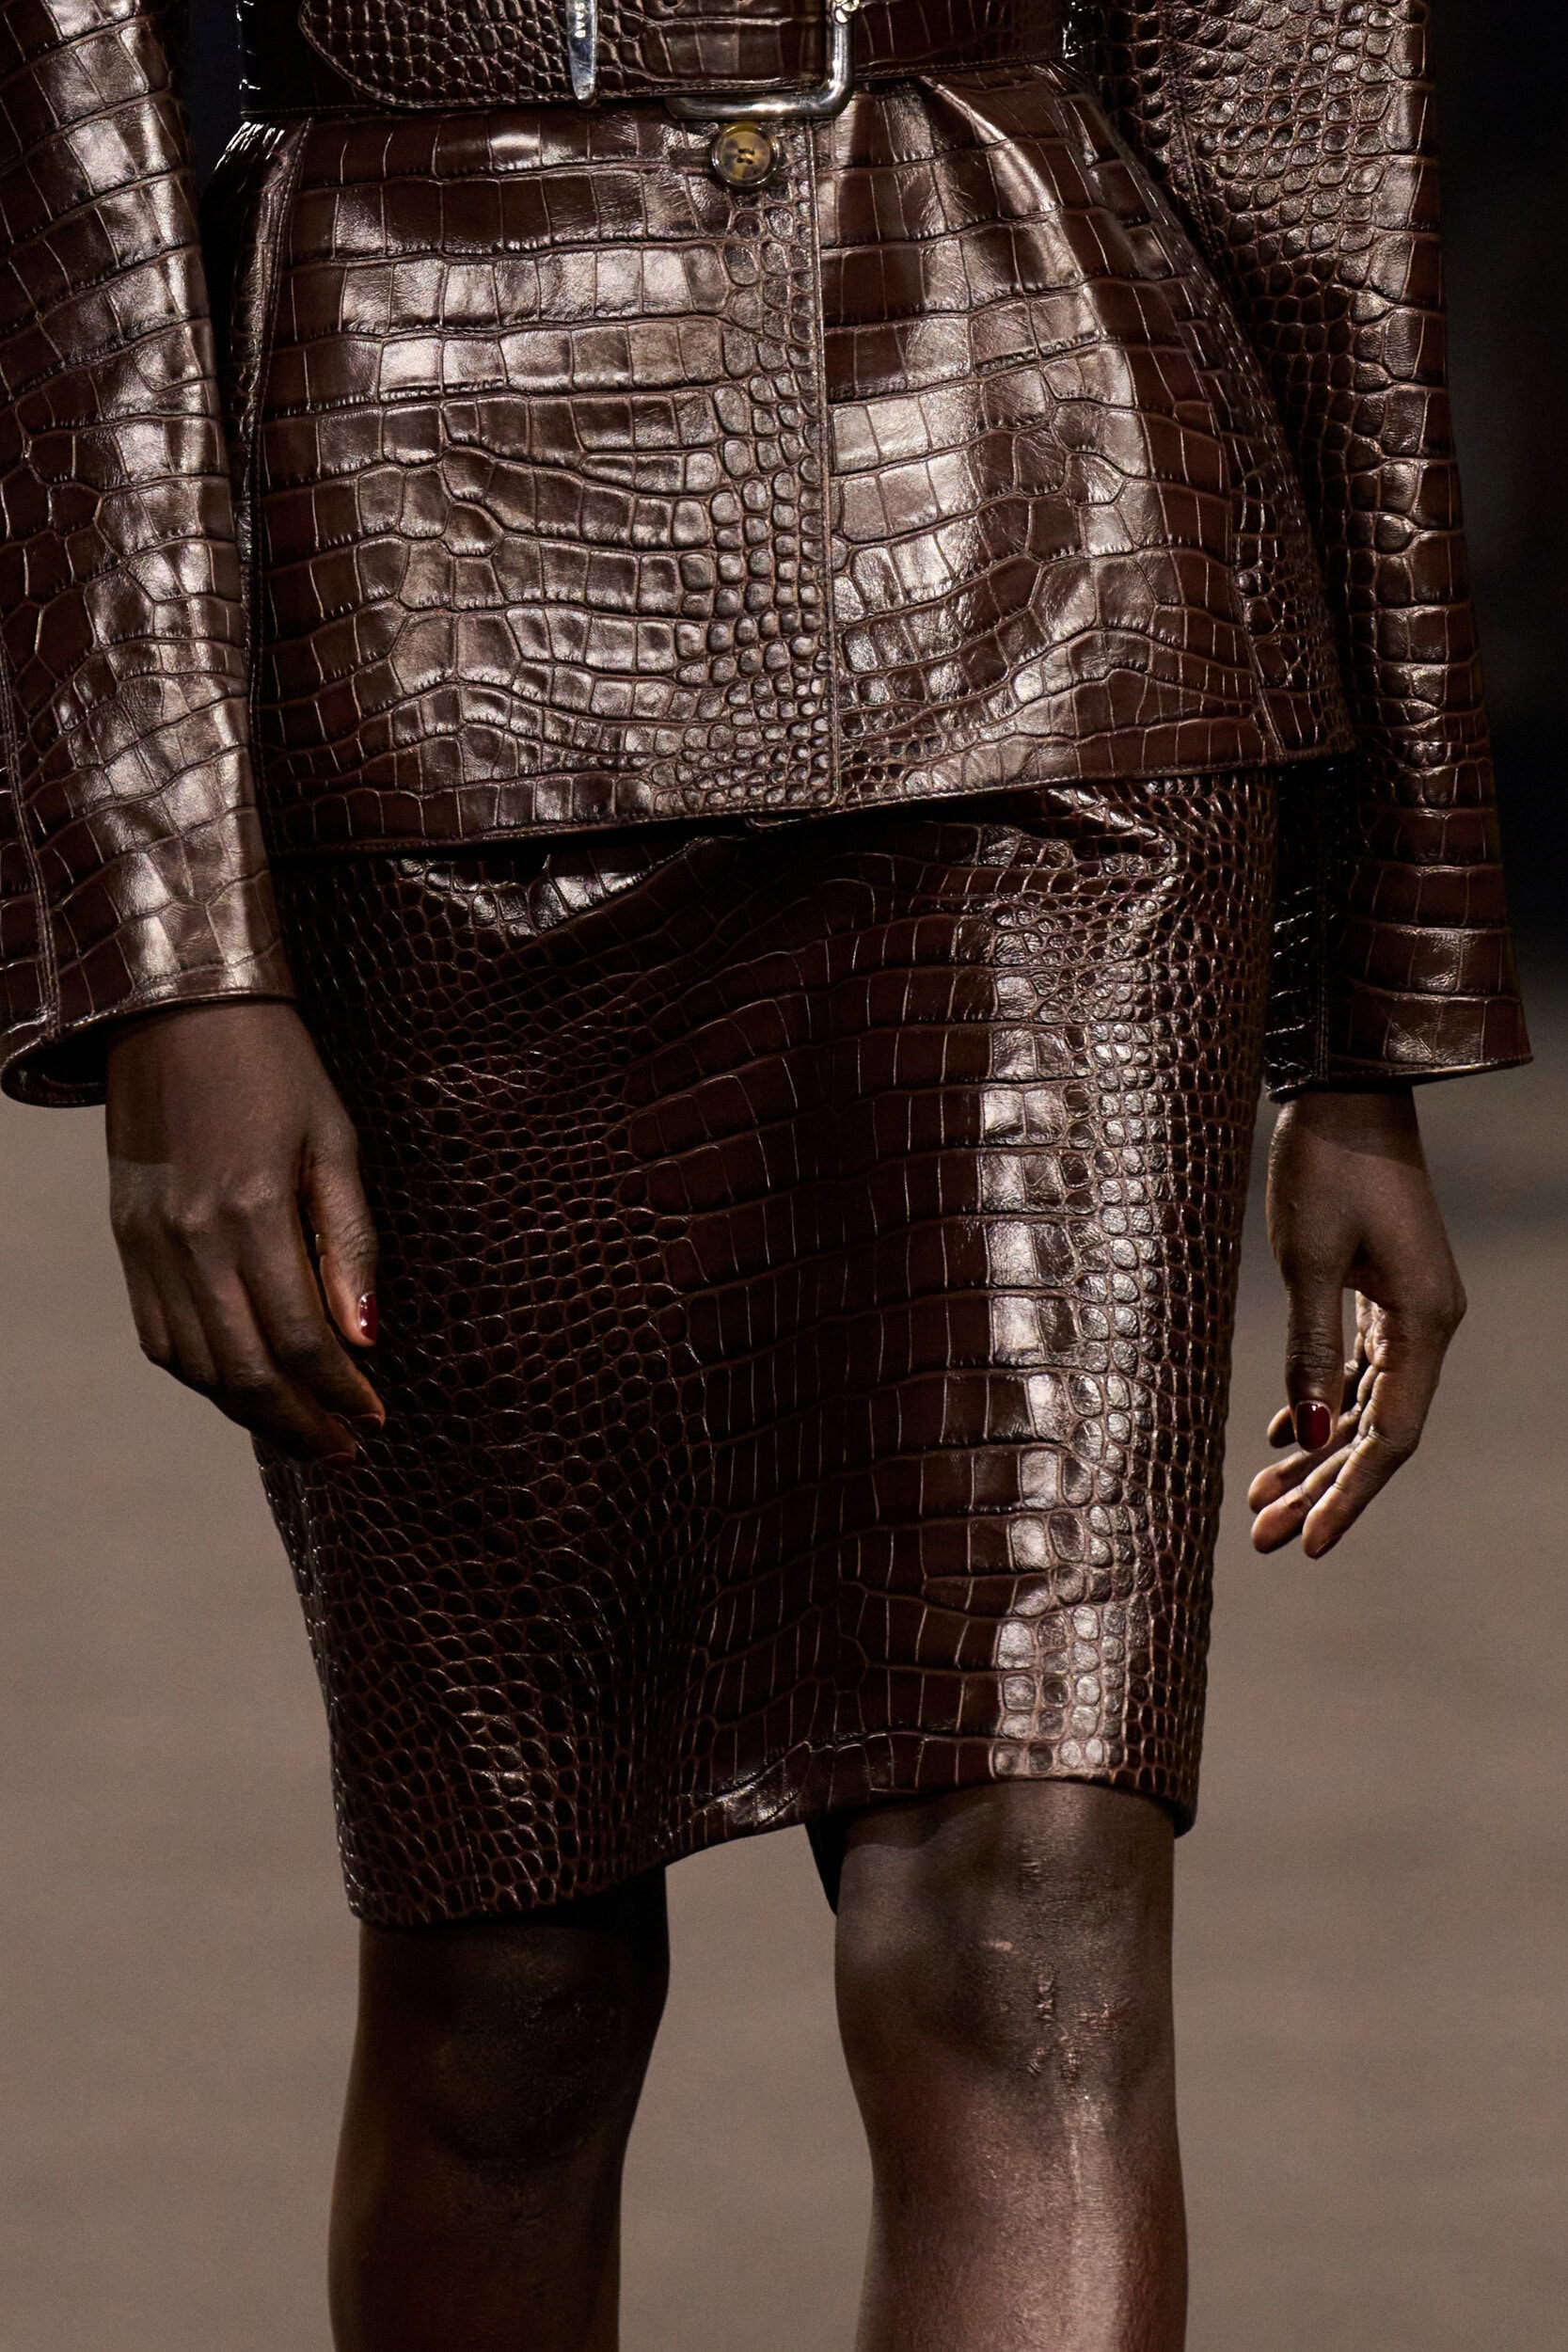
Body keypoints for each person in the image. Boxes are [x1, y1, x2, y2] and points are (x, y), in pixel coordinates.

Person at [0, 0, 1528, 2344]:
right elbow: (70, 222)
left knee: (1033, 1900)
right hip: (417, 597)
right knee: (511, 1961)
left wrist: (1378, 1006)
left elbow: (1301, 126)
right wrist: (174, 950)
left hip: (1049, 573)